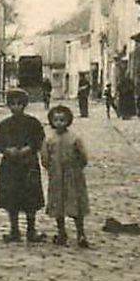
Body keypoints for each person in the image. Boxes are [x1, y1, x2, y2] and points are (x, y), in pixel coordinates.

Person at [0, 88, 45, 243]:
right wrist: (7, 149)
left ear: (24, 105)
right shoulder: (4, 125)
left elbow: (39, 139)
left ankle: (31, 229)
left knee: (31, 198)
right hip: (11, 165)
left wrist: (28, 149)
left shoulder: (32, 123)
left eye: (19, 104)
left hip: (28, 164)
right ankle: (14, 229)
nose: (16, 107)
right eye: (13, 104)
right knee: (11, 198)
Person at [41, 105, 91, 248]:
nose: (59, 123)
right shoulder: (49, 140)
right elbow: (44, 158)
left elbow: (83, 157)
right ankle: (61, 232)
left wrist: (76, 168)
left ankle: (81, 233)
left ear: (68, 121)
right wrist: (50, 168)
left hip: (73, 177)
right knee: (58, 205)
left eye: (62, 120)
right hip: (56, 177)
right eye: (56, 120)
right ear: (51, 121)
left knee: (75, 204)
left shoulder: (74, 138)